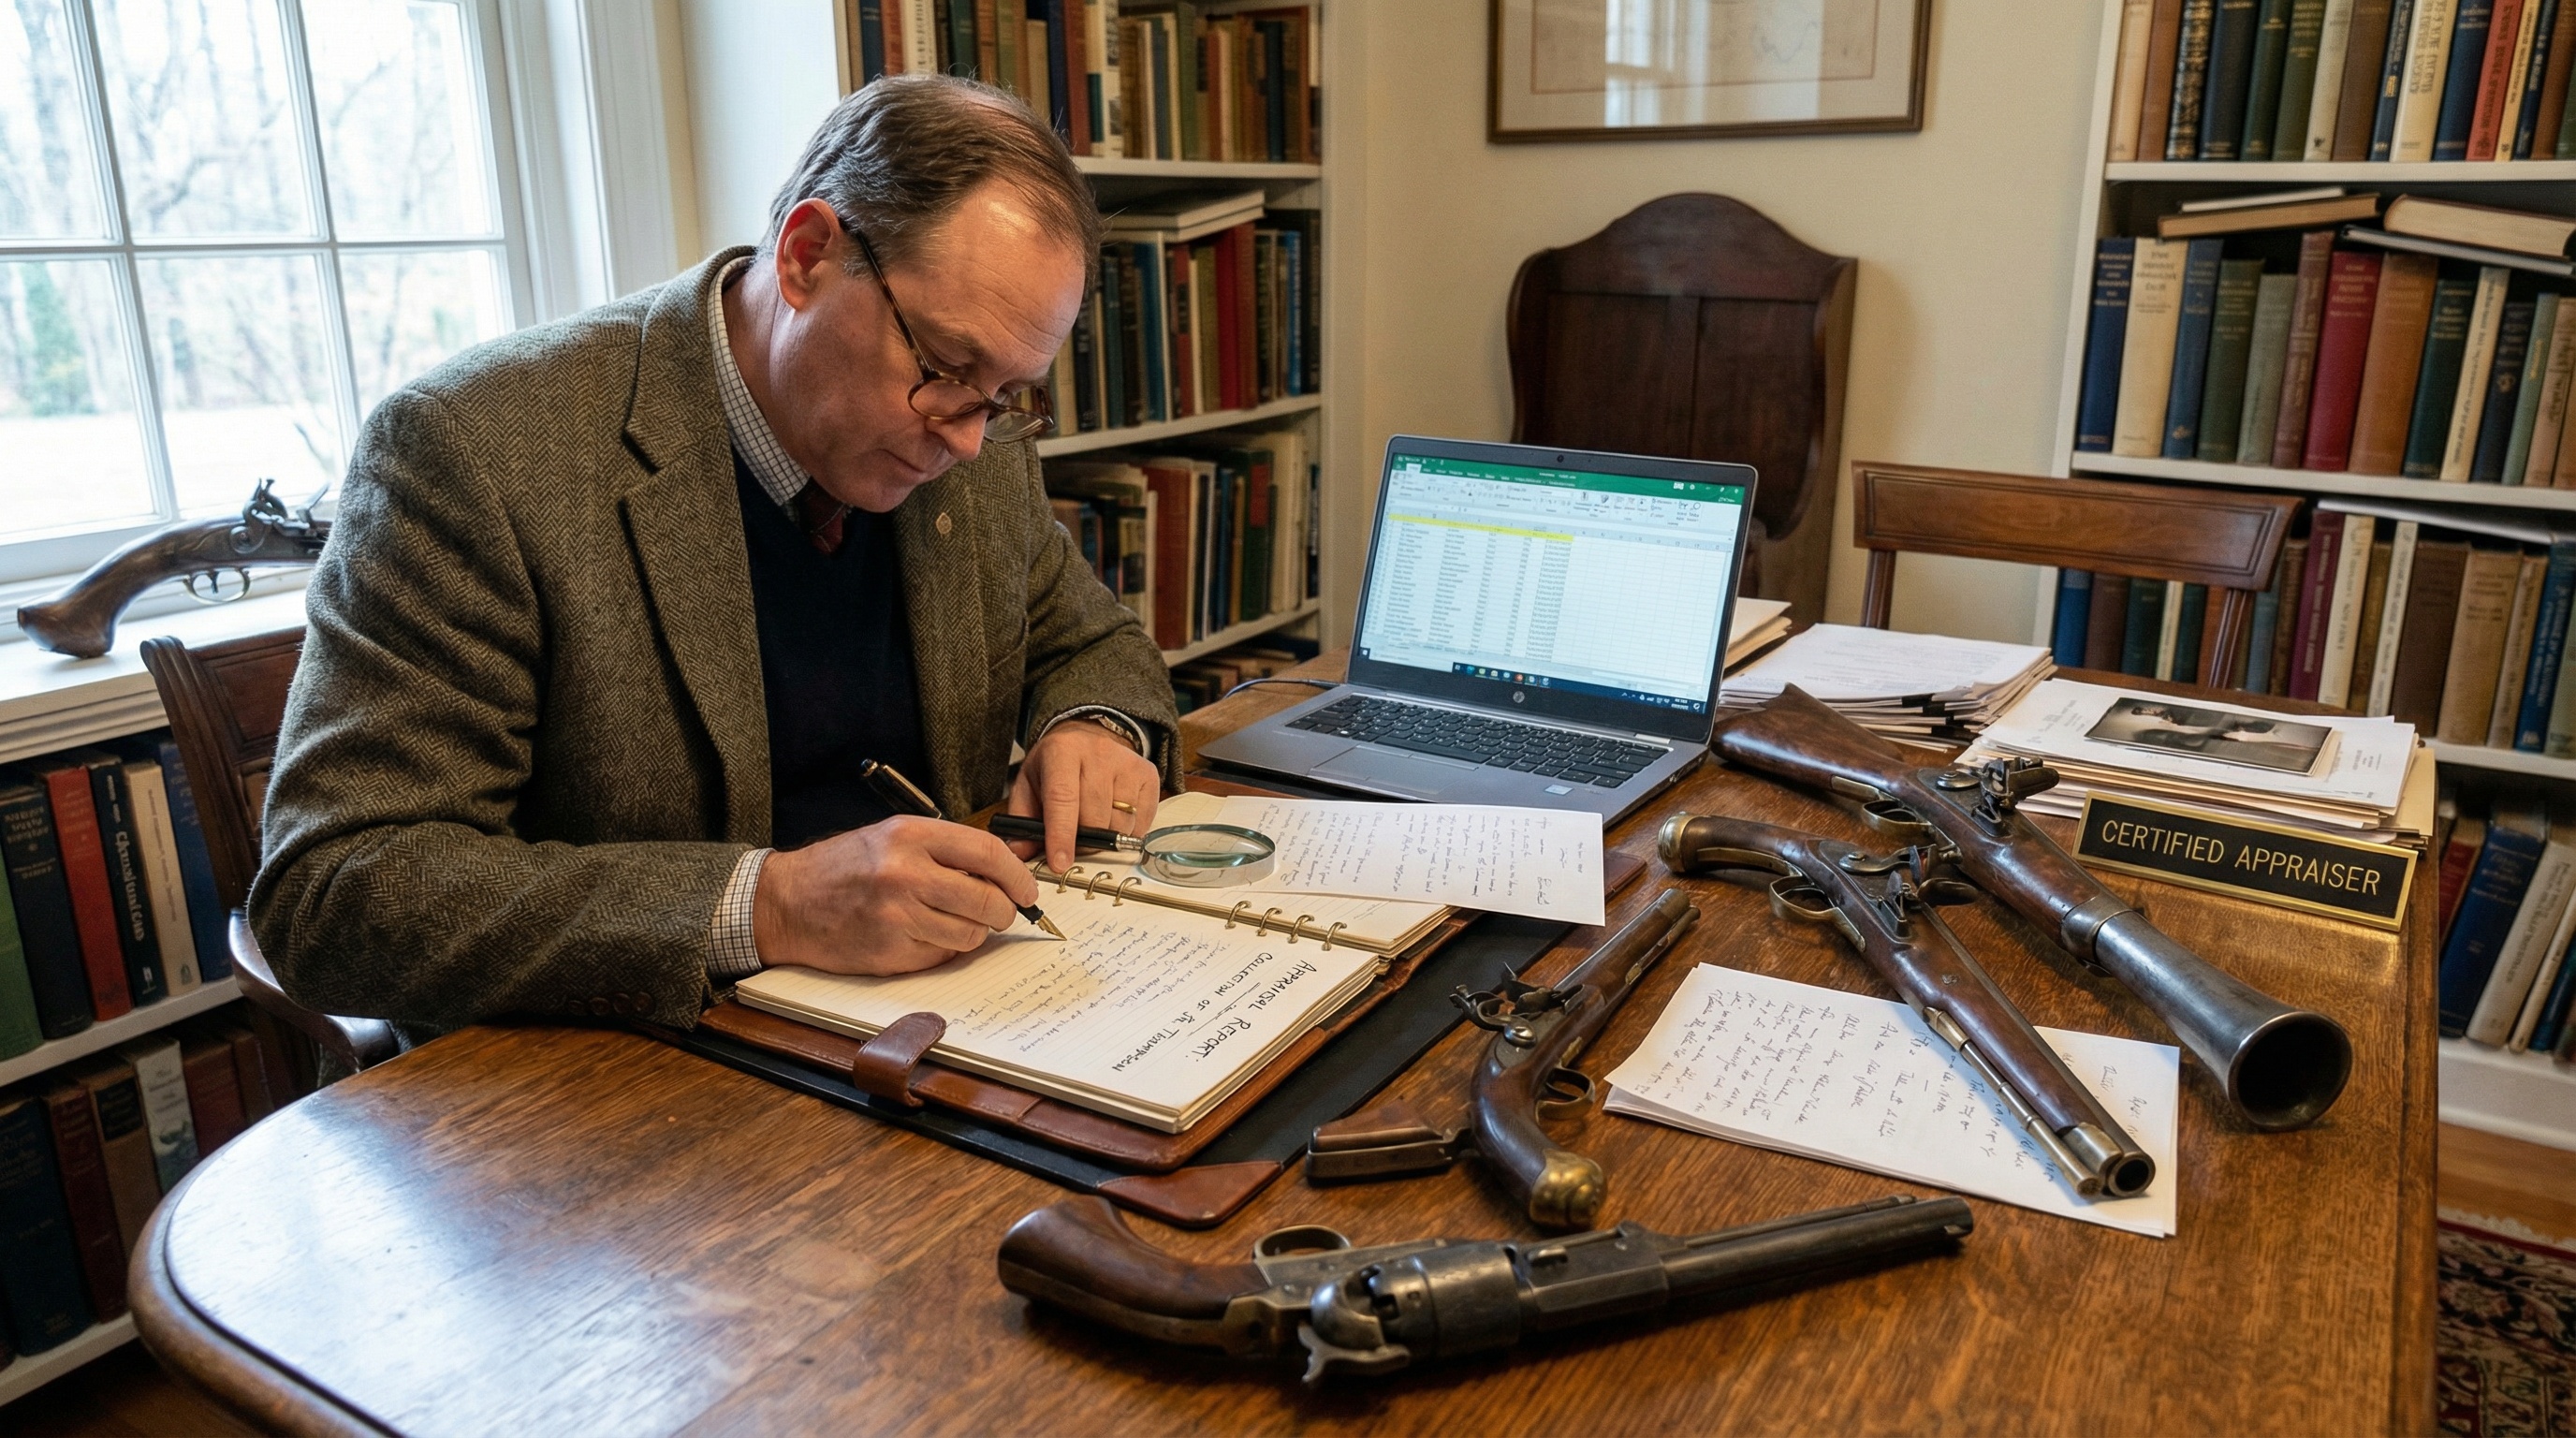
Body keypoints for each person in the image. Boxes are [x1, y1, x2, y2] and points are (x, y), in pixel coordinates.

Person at [250, 77, 1174, 1049]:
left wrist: (1096, 727)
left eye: (1007, 394)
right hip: (606, 1084)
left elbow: (1093, 641)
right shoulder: (473, 450)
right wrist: (766, 906)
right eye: (944, 368)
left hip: (929, 1028)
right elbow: (336, 891)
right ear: (809, 255)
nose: (970, 441)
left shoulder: (962, 429)